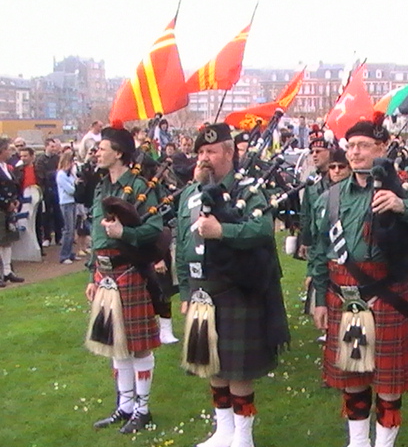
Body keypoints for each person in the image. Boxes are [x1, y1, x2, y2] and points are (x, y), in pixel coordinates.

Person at [310, 118, 408, 447]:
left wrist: (402, 206)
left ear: (382, 148)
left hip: (387, 295)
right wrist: (317, 298)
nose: (355, 152)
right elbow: (319, 250)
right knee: (352, 377)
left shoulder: (405, 186)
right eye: (351, 146)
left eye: (364, 146)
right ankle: (358, 443)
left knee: (387, 382)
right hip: (342, 295)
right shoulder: (329, 197)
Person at [176, 123, 289, 447]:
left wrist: (223, 232)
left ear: (229, 152)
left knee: (239, 370)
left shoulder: (247, 190)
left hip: (237, 289)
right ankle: (222, 431)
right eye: (200, 152)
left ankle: (242, 438)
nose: (204, 158)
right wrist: (185, 289)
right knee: (212, 363)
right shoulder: (189, 193)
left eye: (211, 151)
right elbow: (183, 244)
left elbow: (263, 229)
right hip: (202, 291)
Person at [86, 122, 162, 434]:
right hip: (104, 274)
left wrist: (124, 233)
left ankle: (143, 410)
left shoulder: (141, 186)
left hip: (130, 270)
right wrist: (92, 272)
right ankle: (125, 406)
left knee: (138, 345)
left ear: (118, 153)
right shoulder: (101, 186)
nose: (97, 152)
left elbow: (155, 228)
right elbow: (95, 234)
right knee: (116, 343)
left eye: (102, 148)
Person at [298, 129, 332, 316]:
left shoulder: (338, 178)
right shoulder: (312, 183)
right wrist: (305, 240)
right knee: (316, 278)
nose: (315, 155)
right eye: (312, 152)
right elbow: (306, 214)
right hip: (316, 240)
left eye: (319, 151)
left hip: (334, 240)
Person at [0, 138, 24, 286]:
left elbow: (14, 185)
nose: (10, 152)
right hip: (1, 208)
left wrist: (15, 200)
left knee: (8, 241)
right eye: (8, 149)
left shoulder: (7, 167)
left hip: (9, 208)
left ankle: (8, 271)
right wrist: (5, 203)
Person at [35, 138, 63, 246]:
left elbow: (60, 170)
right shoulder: (40, 159)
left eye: (54, 146)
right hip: (46, 190)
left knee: (58, 214)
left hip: (57, 189)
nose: (54, 148)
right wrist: (54, 173)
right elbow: (41, 175)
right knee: (46, 214)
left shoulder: (57, 158)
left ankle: (59, 237)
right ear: (46, 146)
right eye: (51, 146)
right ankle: (46, 237)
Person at [56, 151, 77, 264]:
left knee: (72, 229)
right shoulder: (60, 175)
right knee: (68, 229)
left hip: (73, 202)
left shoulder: (71, 174)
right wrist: (76, 187)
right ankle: (64, 255)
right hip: (66, 203)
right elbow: (71, 190)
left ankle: (70, 253)